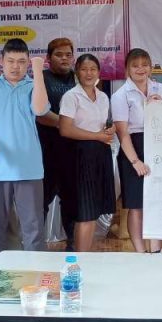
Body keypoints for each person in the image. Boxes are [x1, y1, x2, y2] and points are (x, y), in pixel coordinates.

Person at [0, 38, 50, 262]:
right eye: (11, 61)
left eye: (22, 61)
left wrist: (38, 72)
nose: (16, 66)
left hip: (29, 168)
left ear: (28, 63)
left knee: (33, 227)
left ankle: (36, 270)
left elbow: (40, 109)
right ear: (2, 61)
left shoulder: (32, 87)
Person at [113, 48, 162, 253]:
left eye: (145, 65)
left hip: (159, 145)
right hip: (133, 148)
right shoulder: (120, 95)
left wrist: (160, 107)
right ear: (127, 69)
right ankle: (140, 252)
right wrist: (135, 161)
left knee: (158, 201)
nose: (141, 69)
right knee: (136, 205)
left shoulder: (161, 89)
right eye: (135, 65)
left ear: (151, 67)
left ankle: (156, 250)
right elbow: (122, 133)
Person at [59, 54, 117, 252]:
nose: (89, 73)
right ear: (77, 72)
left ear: (99, 72)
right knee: (85, 213)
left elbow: (104, 125)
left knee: (94, 212)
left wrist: (110, 130)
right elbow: (65, 129)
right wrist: (96, 136)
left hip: (100, 154)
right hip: (80, 156)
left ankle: (85, 257)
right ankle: (79, 260)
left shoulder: (103, 97)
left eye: (93, 69)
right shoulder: (71, 96)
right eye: (84, 69)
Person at [36, 37, 78, 248]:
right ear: (48, 58)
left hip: (73, 152)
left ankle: (73, 246)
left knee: (71, 202)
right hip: (46, 152)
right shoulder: (41, 80)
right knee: (41, 202)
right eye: (58, 54)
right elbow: (40, 114)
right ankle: (36, 248)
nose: (64, 58)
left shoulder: (79, 79)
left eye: (68, 55)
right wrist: (68, 124)